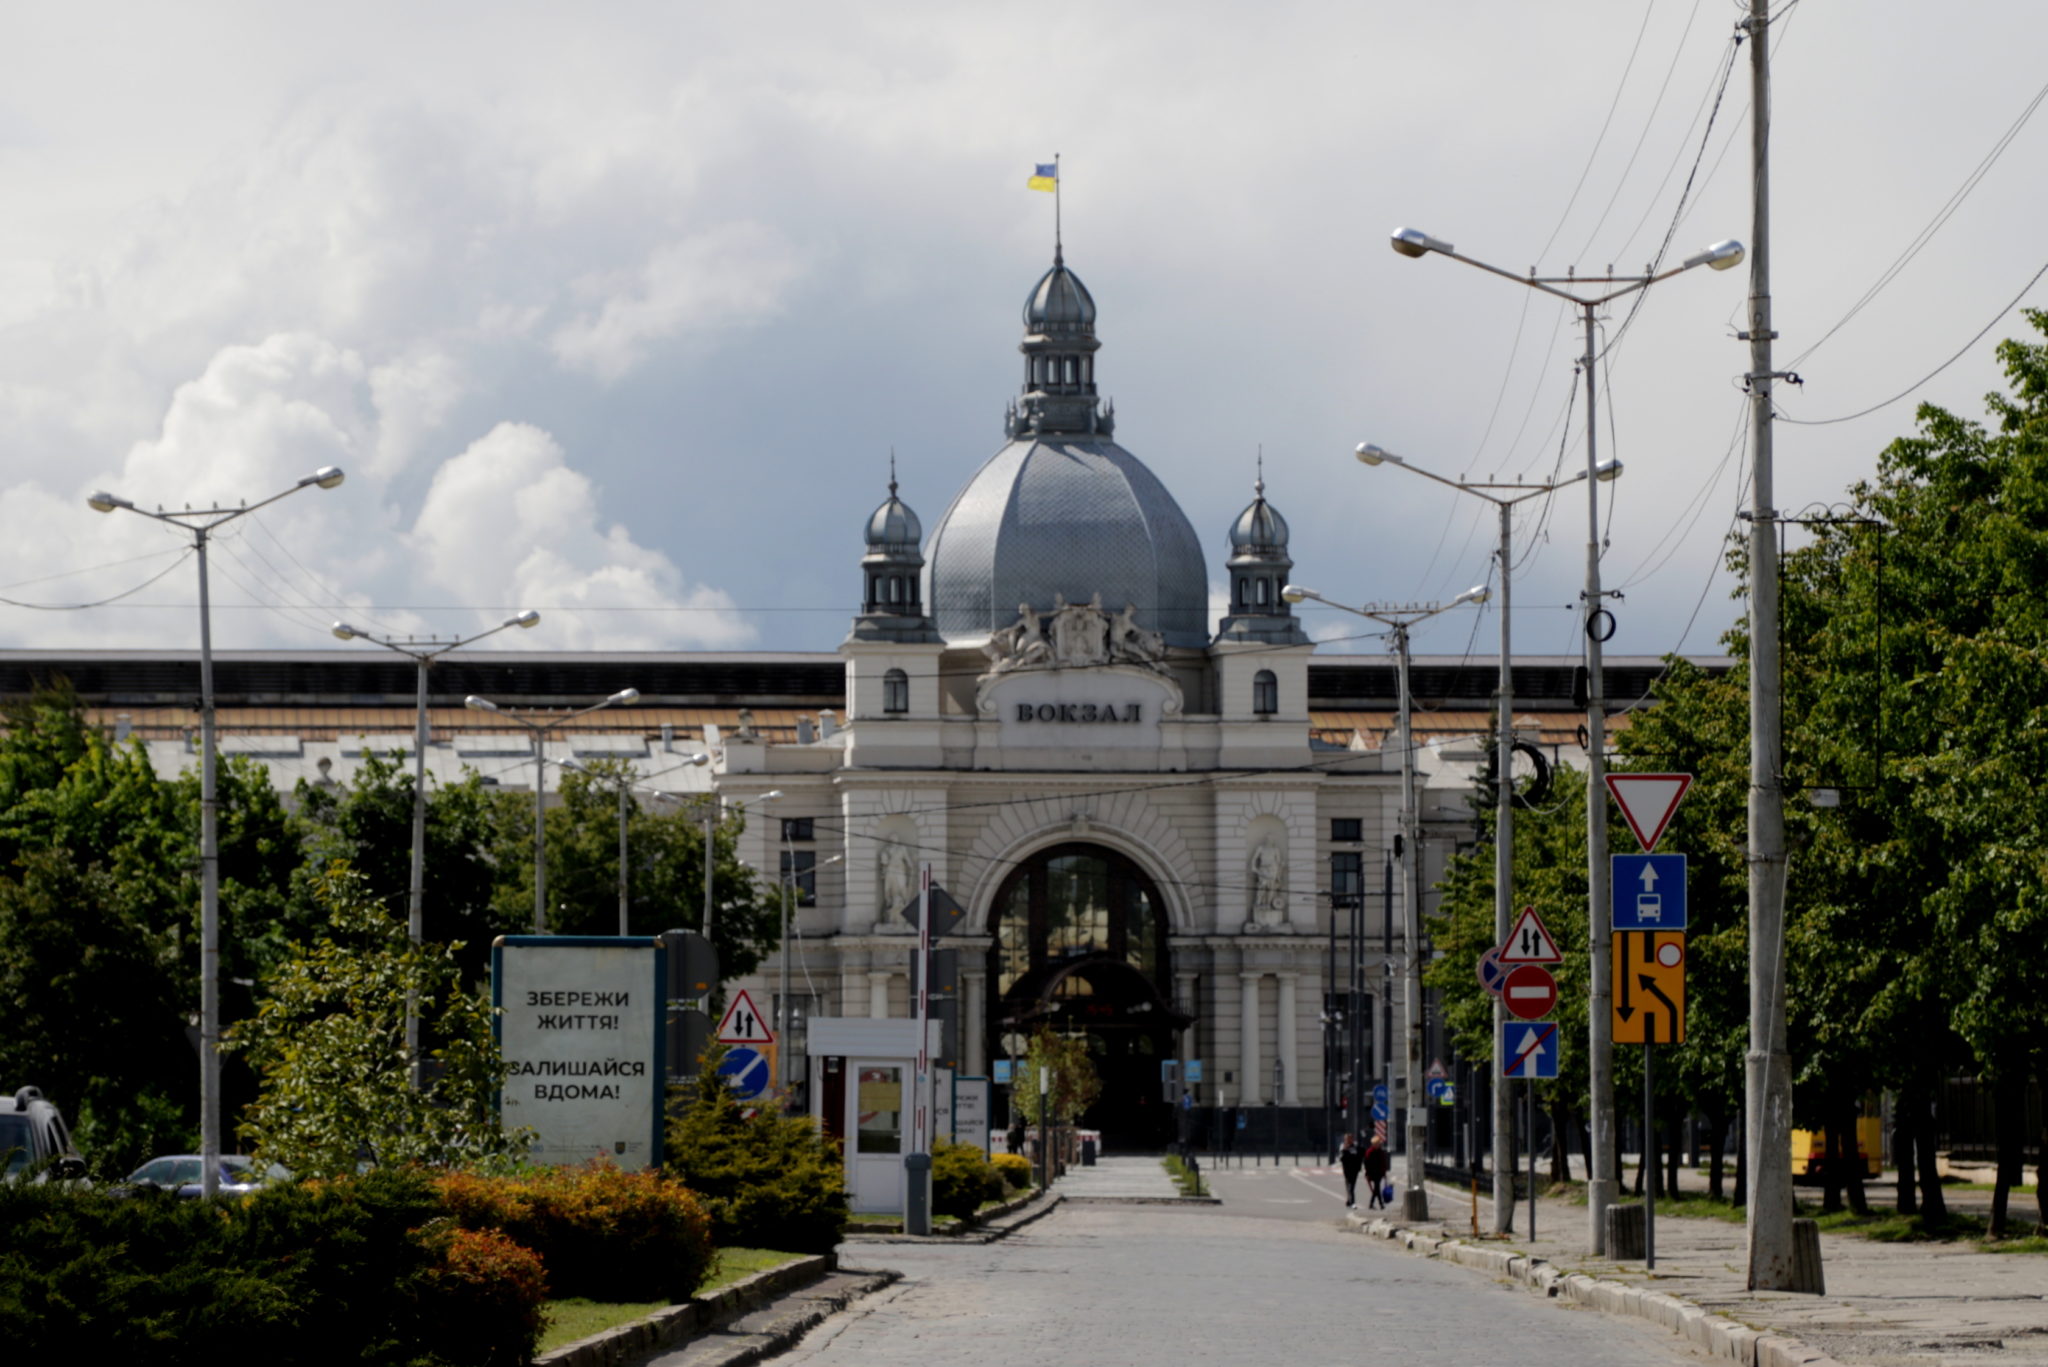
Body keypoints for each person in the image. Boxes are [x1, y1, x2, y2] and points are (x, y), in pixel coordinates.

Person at [1363, 1137, 1391, 1209]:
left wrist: (1384, 1173)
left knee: (1376, 1189)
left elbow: (1383, 1163)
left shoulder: (1381, 1152)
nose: (1378, 1145)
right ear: (1373, 1144)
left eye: (1379, 1143)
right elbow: (1366, 1164)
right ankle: (1380, 1204)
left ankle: (1373, 1204)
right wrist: (1367, 1173)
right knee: (1377, 1189)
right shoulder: (1369, 1152)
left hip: (1379, 1173)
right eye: (1377, 1143)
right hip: (1372, 1173)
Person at [1339, 1133, 1364, 1208]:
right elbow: (1341, 1158)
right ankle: (1351, 1201)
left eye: (1350, 1139)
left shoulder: (1355, 1147)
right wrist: (1345, 1150)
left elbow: (1360, 1155)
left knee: (1351, 1186)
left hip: (1354, 1169)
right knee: (1349, 1186)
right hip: (1347, 1170)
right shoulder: (1343, 1147)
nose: (1348, 1140)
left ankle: (1350, 1201)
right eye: (1347, 1139)